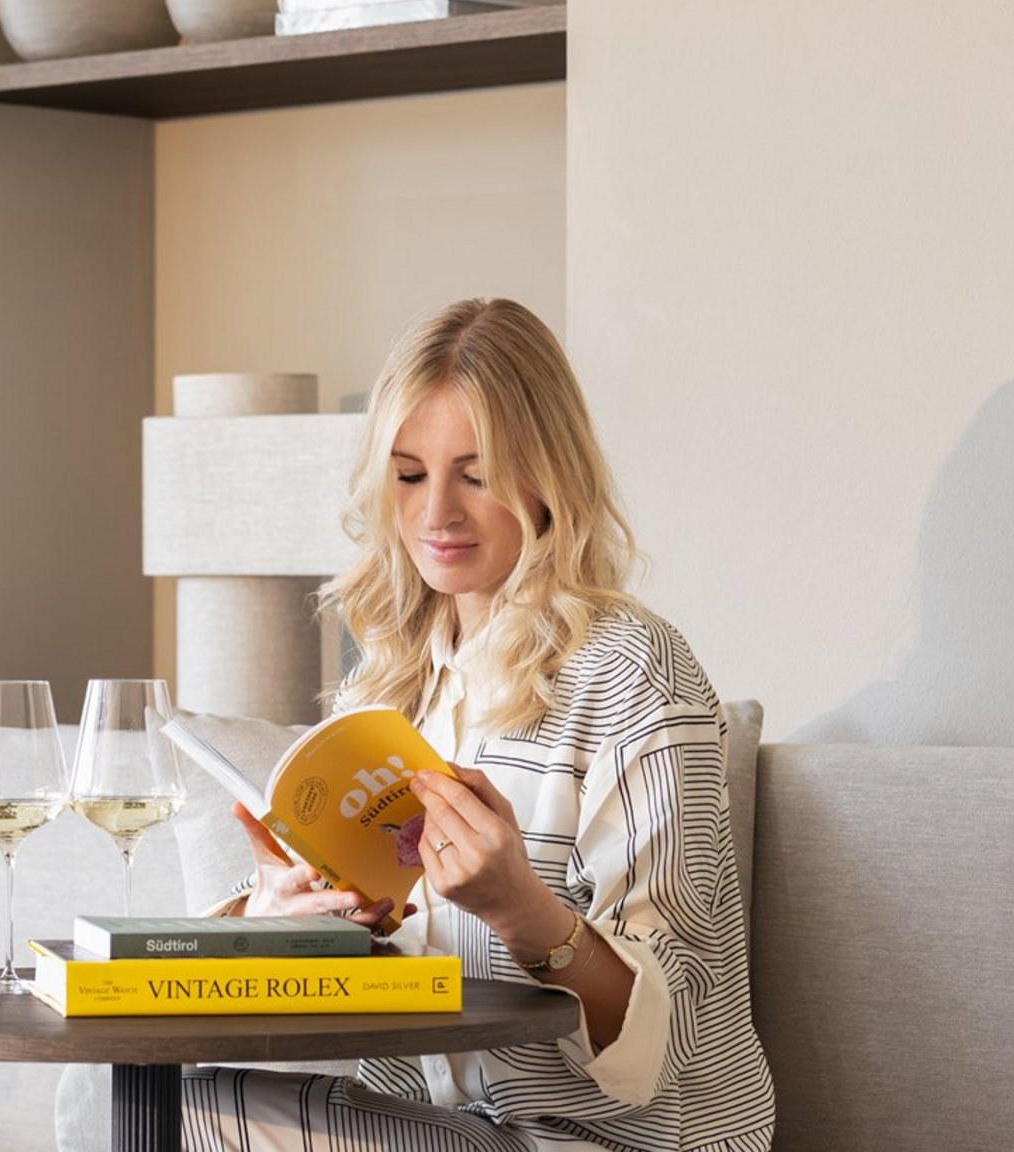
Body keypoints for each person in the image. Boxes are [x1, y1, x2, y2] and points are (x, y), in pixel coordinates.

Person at [183, 299, 775, 1152]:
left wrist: (523, 912)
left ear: (547, 476)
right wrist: (288, 923)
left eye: (477, 472)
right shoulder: (385, 685)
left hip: (608, 1142)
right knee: (190, 1104)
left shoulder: (633, 672)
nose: (437, 516)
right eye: (410, 474)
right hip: (442, 1128)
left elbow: (662, 1048)